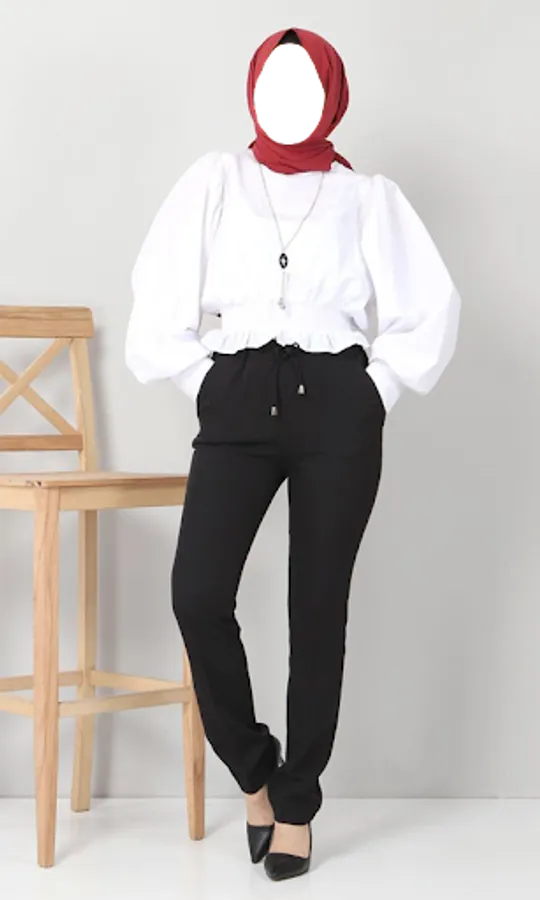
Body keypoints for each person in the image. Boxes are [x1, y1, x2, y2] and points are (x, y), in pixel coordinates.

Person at [125, 25, 461, 881]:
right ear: (253, 91)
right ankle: (256, 773)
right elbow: (158, 292)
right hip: (238, 392)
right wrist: (204, 381)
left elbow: (430, 306)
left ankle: (299, 801)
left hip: (336, 403)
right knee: (198, 593)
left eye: (304, 82)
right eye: (273, 81)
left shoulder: (367, 198)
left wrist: (375, 390)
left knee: (318, 609)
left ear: (331, 97)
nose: (286, 97)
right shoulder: (215, 180)